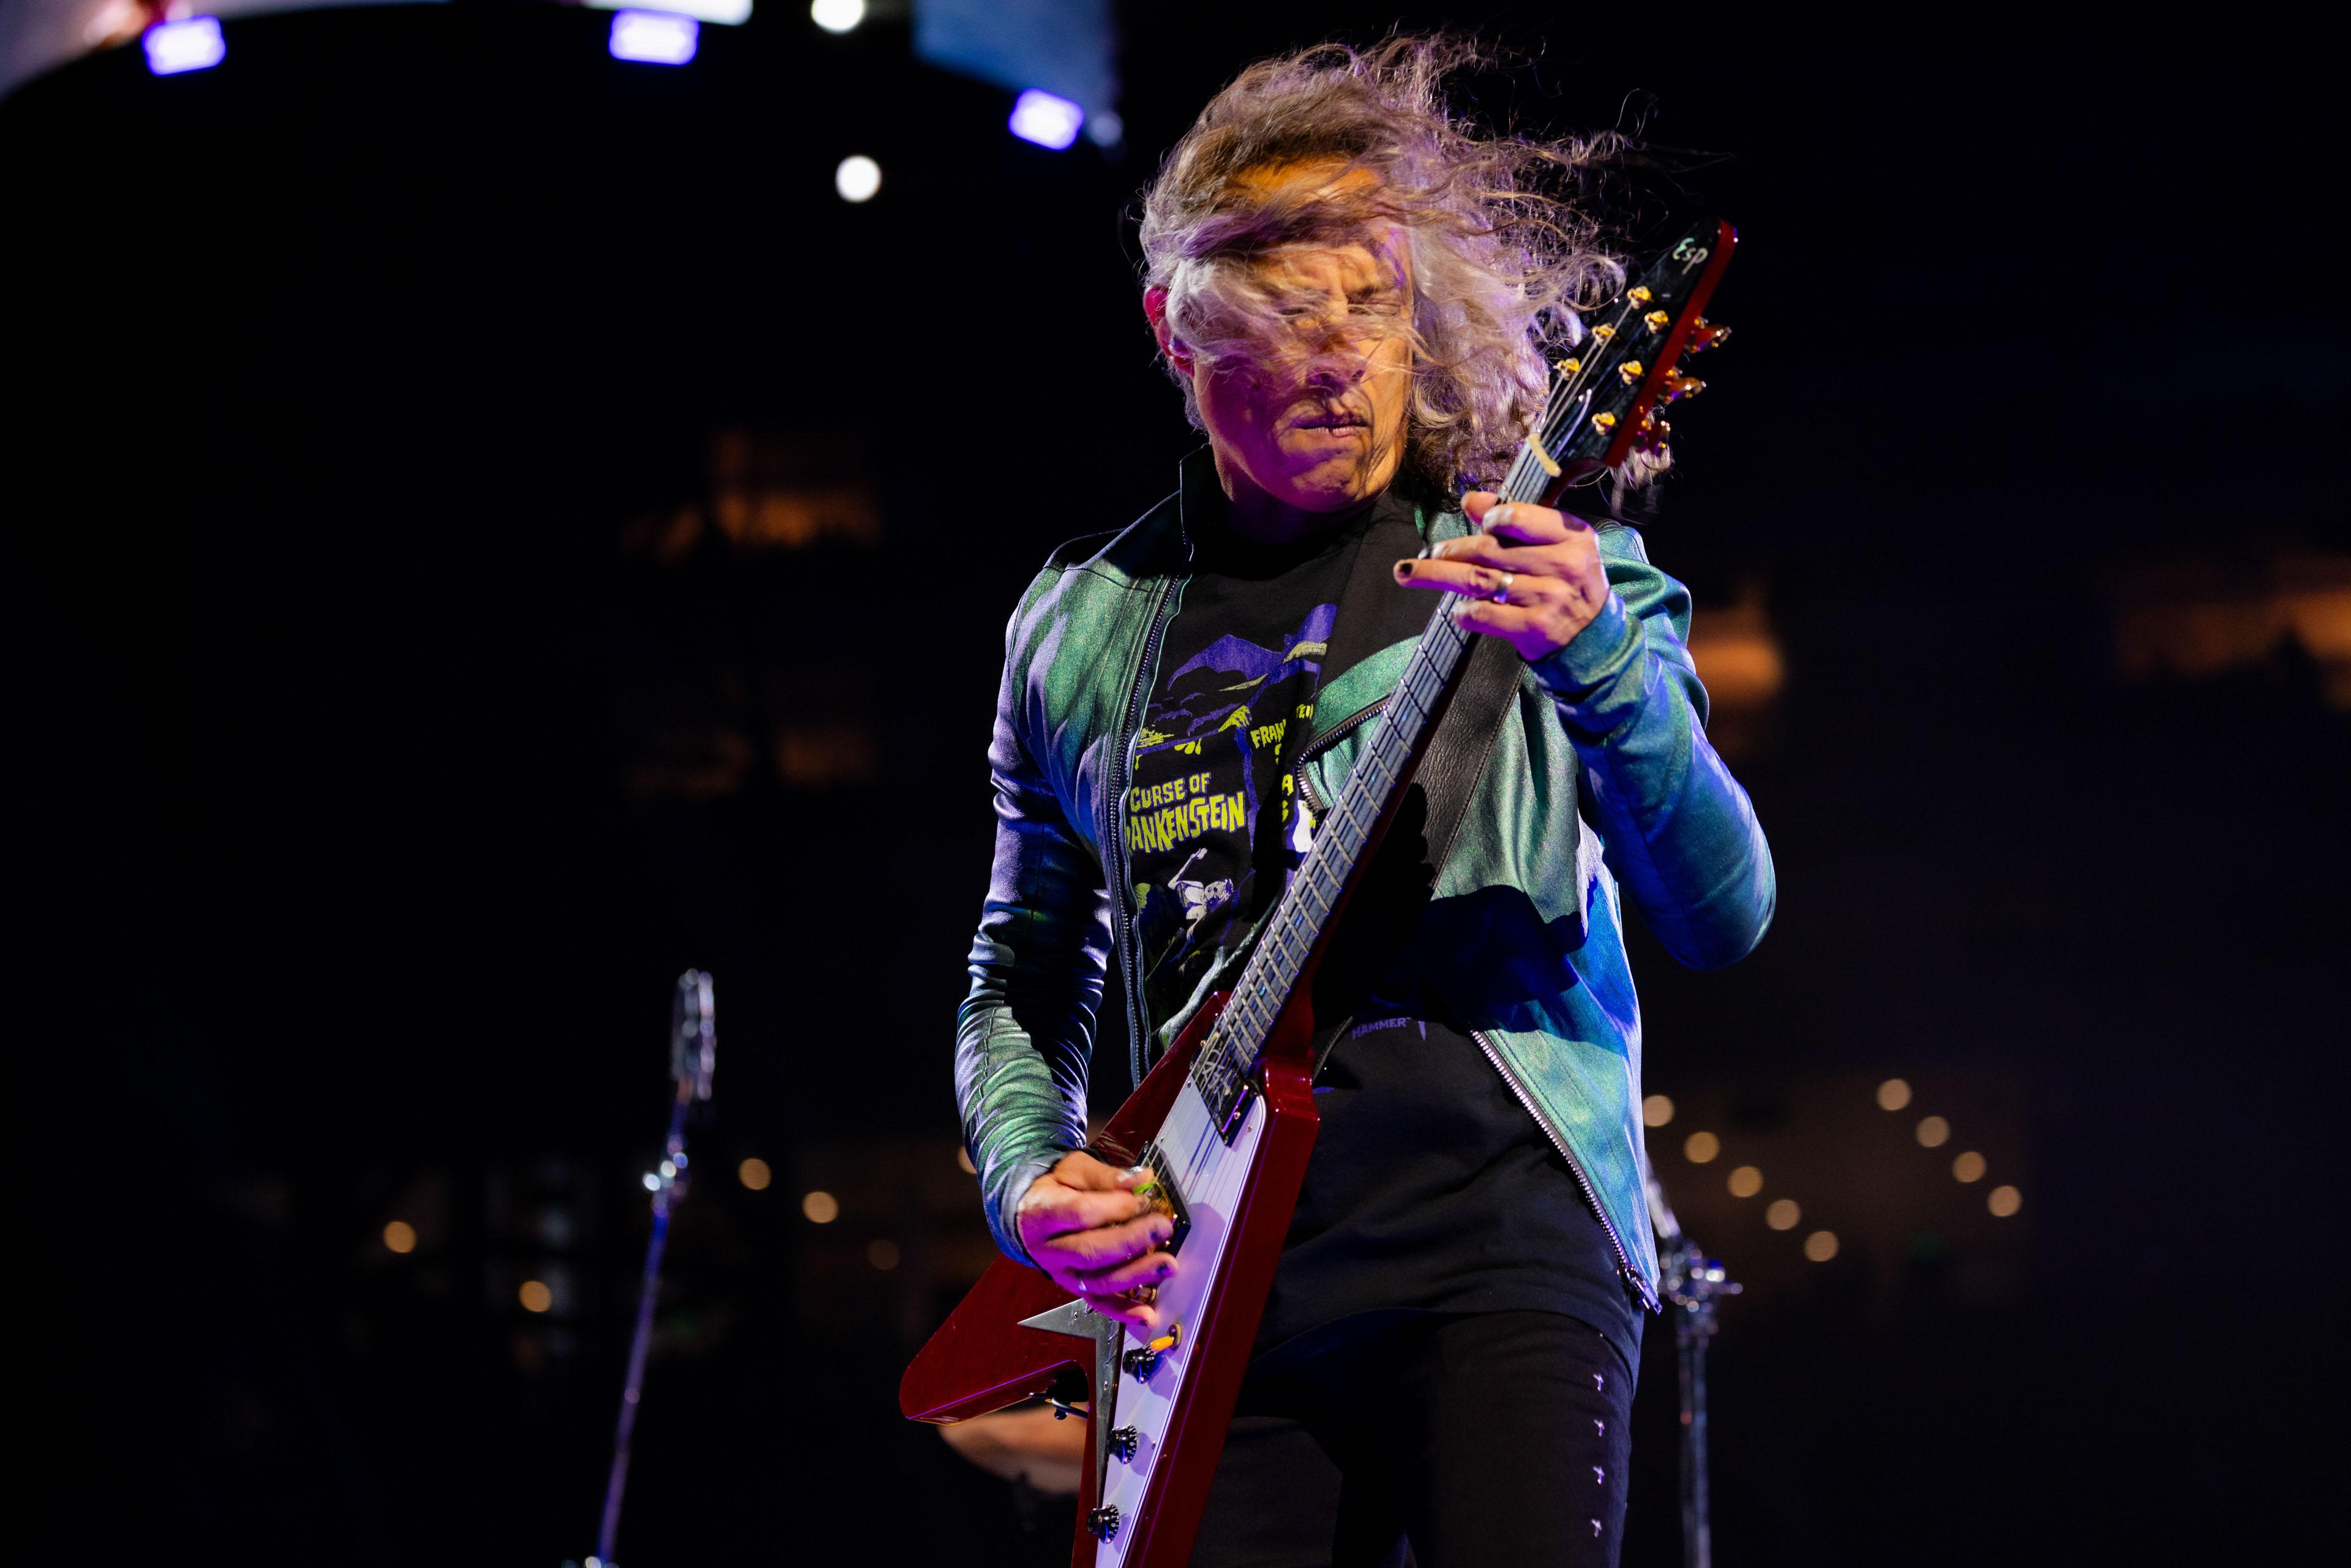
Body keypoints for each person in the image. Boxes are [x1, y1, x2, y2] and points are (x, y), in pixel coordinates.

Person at [953, 37, 1774, 1568]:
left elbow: (1724, 911)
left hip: (1502, 1249)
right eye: (1287, 317)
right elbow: (1024, 967)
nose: (1342, 360)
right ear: (1176, 331)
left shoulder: (1545, 563)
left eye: (1374, 305)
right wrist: (1026, 1175)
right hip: (1208, 1291)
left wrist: (1599, 660)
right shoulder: (1081, 627)